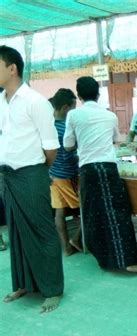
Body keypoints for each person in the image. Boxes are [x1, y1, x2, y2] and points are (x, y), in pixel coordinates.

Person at [64, 76, 137, 274]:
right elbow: (115, 140)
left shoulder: (74, 116)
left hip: (88, 170)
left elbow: (68, 145)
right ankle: (130, 261)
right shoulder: (109, 116)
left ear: (79, 95)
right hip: (109, 168)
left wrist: (82, 141)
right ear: (98, 94)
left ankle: (103, 259)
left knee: (93, 214)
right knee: (119, 213)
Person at [0, 45, 64, 313]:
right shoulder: (1, 101)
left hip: (32, 174)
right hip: (8, 177)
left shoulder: (35, 102)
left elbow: (51, 148)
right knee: (16, 231)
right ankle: (24, 284)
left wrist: (38, 171)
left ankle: (52, 290)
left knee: (42, 231)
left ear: (12, 68)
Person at [49, 88, 82, 256]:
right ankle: (76, 239)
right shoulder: (65, 128)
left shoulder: (48, 125)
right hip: (68, 176)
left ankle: (66, 249)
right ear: (64, 107)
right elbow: (71, 153)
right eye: (73, 106)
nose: (74, 110)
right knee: (87, 208)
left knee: (59, 212)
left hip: (53, 175)